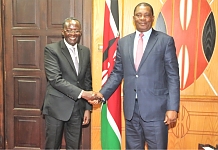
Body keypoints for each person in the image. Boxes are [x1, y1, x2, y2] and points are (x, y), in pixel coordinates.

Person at [92, 2, 180, 149]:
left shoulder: (165, 41)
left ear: (152, 18)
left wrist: (173, 107)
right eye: (139, 15)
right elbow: (117, 73)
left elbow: (173, 77)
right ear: (134, 18)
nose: (143, 18)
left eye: (146, 15)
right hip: (132, 111)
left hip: (156, 111)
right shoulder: (124, 43)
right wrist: (101, 94)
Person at [42, 17, 96, 149]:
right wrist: (83, 94)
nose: (73, 34)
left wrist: (88, 109)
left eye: (76, 30)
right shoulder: (51, 50)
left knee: (74, 147)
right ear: (63, 32)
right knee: (52, 146)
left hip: (77, 109)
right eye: (69, 30)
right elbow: (55, 79)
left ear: (80, 32)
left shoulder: (85, 51)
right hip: (56, 107)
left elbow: (87, 80)